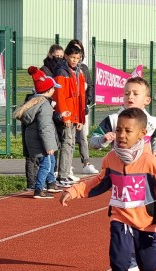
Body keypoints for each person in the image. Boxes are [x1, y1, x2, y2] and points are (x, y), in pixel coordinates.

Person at [60, 107, 156, 271]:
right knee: (119, 261)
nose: (122, 135)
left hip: (146, 223)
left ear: (141, 134)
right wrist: (73, 190)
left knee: (148, 267)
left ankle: (143, 251)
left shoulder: (150, 162)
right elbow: (99, 182)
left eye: (128, 131)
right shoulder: (111, 158)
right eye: (119, 130)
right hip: (120, 218)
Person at [14, 67, 65, 198]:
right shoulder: (45, 106)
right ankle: (38, 188)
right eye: (53, 88)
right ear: (48, 90)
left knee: (48, 162)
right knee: (46, 165)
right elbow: (45, 128)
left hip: (33, 139)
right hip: (41, 142)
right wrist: (49, 147)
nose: (54, 90)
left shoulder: (34, 102)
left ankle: (49, 184)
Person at [89, 77, 156, 161]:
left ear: (147, 100)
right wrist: (103, 139)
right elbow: (92, 142)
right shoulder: (113, 120)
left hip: (143, 169)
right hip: (118, 169)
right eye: (127, 93)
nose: (130, 97)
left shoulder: (152, 121)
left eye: (135, 94)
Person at [53, 44, 86, 187]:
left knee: (71, 144)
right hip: (66, 114)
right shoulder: (62, 71)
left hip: (74, 114)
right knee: (67, 143)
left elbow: (80, 97)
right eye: (72, 57)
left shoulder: (77, 72)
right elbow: (60, 96)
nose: (74, 60)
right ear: (66, 56)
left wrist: (80, 118)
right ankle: (62, 175)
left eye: (77, 58)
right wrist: (64, 116)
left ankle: (66, 173)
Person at [65, 39, 99, 175]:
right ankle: (67, 165)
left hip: (82, 108)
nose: (76, 57)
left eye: (79, 52)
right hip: (70, 109)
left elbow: (90, 85)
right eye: (74, 52)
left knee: (82, 136)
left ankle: (86, 163)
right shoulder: (65, 68)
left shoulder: (83, 68)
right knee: (69, 138)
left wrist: (87, 100)